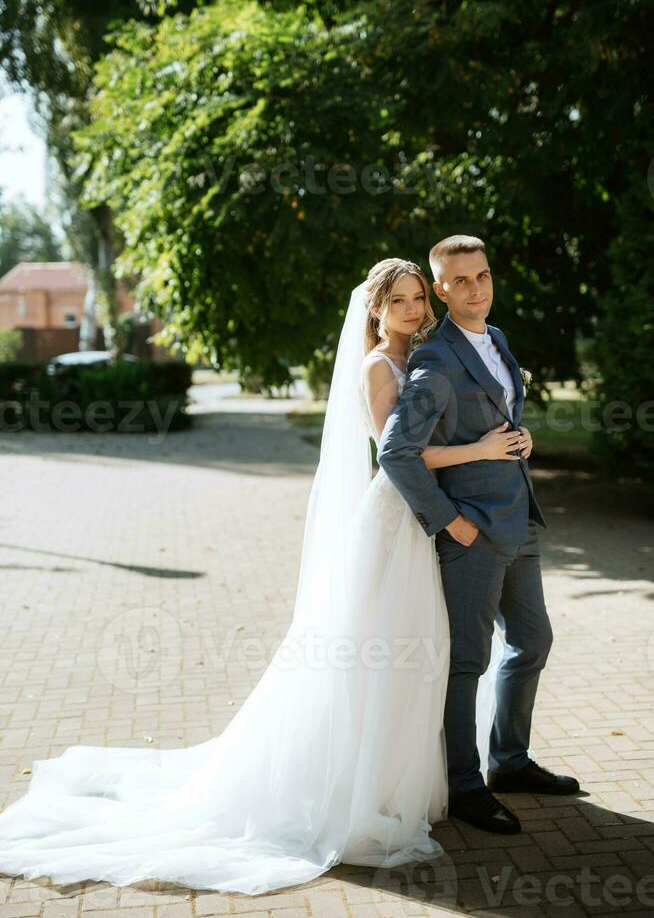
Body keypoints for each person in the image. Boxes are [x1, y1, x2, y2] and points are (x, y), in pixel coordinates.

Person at [0, 257, 506, 896]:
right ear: (374, 308)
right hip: (395, 516)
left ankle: (405, 777)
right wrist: (479, 451)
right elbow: (397, 452)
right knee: (378, 646)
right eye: (397, 300)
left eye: (414, 298)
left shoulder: (426, 357)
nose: (410, 308)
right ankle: (358, 787)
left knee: (419, 650)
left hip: (421, 516)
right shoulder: (379, 366)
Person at [377, 235, 580, 837]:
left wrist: (520, 440)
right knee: (467, 660)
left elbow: (500, 411)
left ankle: (509, 762)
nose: (476, 289)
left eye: (483, 276)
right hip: (471, 532)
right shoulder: (435, 360)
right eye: (461, 282)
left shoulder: (497, 339)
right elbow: (396, 452)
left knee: (533, 639)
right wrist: (448, 521)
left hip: (520, 521)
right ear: (442, 291)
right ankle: (465, 785)